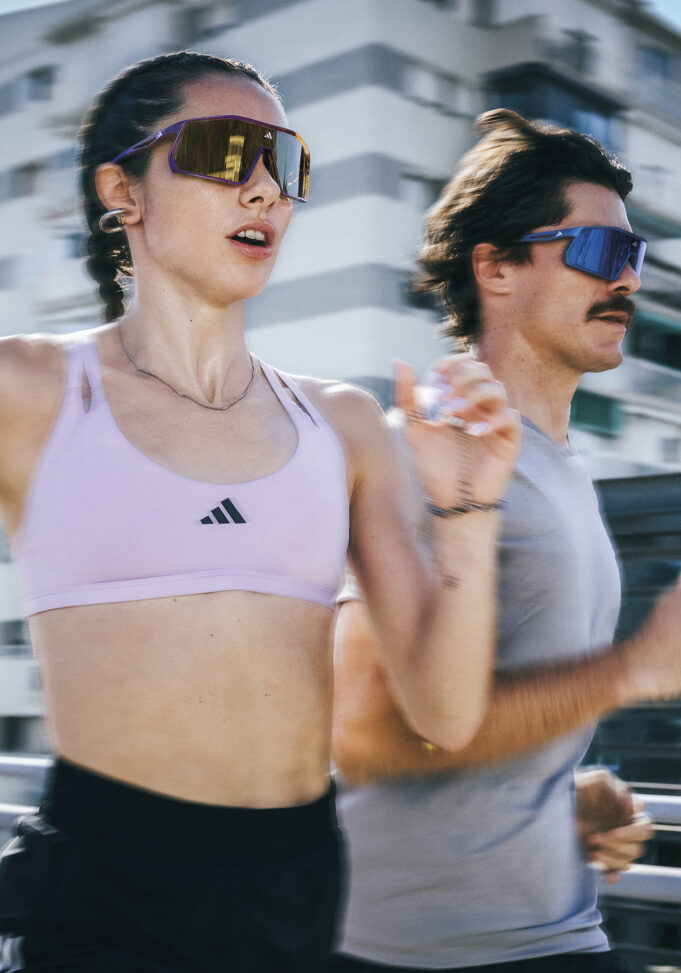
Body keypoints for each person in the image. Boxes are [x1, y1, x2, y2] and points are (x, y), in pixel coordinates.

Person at [0, 53, 520, 972]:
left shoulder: (345, 423)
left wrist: (469, 505)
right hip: (106, 888)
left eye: (284, 164)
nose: (264, 191)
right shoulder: (32, 388)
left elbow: (443, 709)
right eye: (222, 153)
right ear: (123, 187)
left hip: (296, 883)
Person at [331, 109, 681, 973]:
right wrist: (628, 672)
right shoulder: (425, 449)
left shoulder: (561, 463)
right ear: (494, 265)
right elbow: (365, 733)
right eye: (600, 253)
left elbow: (474, 698)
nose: (626, 281)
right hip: (427, 955)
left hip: (549, 927)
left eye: (632, 257)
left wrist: (557, 791)